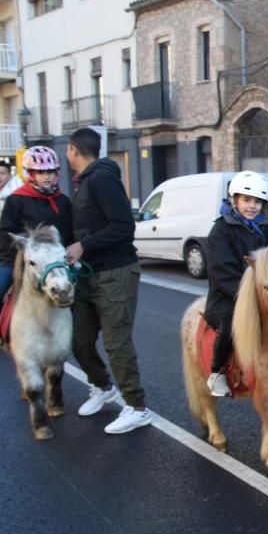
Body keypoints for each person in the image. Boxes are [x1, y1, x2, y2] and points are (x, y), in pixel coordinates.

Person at [65, 128, 150, 434]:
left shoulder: (101, 178)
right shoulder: (85, 182)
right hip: (88, 275)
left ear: (74, 149)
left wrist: (83, 246)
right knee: (79, 339)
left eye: (68, 149)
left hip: (116, 273)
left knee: (117, 344)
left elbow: (124, 226)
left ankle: (138, 407)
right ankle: (102, 386)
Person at [204, 170, 268, 397]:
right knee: (230, 325)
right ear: (234, 200)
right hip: (229, 296)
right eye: (247, 200)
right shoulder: (221, 230)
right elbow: (222, 273)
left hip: (264, 291)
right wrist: (251, 296)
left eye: (258, 202)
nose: (252, 206)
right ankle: (216, 372)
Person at [0, 147, 73, 300]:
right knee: (1, 285)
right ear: (31, 174)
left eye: (51, 172)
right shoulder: (16, 199)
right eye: (41, 173)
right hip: (18, 258)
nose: (47, 177)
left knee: (83, 293)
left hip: (57, 260)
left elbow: (69, 232)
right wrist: (25, 248)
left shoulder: (63, 201)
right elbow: (5, 233)